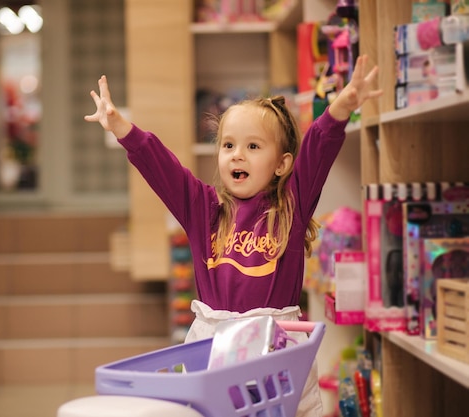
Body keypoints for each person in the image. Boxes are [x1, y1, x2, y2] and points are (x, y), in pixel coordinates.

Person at [85, 55, 382, 417]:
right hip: (213, 350)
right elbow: (162, 166)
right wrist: (121, 128)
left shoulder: (292, 204)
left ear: (282, 164)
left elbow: (318, 148)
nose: (237, 155)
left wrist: (340, 108)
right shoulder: (203, 209)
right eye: (228, 146)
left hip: (278, 349)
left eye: (253, 147)